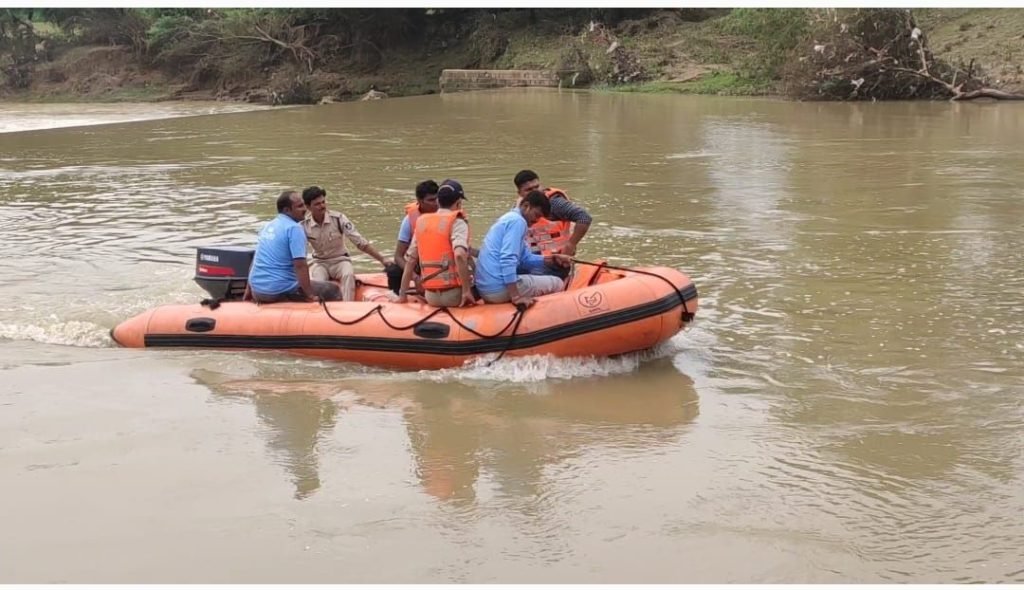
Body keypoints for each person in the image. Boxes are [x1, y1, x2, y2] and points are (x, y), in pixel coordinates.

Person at [475, 190, 572, 307]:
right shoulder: (518, 222)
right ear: (526, 206)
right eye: (536, 215)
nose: (536, 221)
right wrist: (516, 296)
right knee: (557, 283)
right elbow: (508, 259)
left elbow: (525, 259)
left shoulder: (509, 218)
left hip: (486, 288)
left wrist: (551, 259)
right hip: (498, 288)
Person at [244, 191, 342, 304]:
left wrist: (249, 288)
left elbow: (256, 260)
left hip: (258, 291)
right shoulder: (294, 228)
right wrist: (310, 295)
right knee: (333, 290)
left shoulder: (268, 226)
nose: (305, 209)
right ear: (287, 210)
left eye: (304, 204)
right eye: (299, 206)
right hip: (278, 291)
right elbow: (300, 266)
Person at [300, 185, 391, 301]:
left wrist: (382, 259)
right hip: (320, 262)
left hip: (340, 260)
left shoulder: (339, 219)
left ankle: (347, 307)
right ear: (308, 207)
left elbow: (360, 242)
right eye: (317, 204)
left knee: (348, 275)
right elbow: (299, 253)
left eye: (323, 202)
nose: (322, 206)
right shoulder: (304, 226)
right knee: (318, 282)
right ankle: (323, 312)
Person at [396, 180, 474, 308]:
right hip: (455, 295)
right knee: (486, 282)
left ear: (438, 201)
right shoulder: (457, 222)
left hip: (431, 297)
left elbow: (410, 261)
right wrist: (466, 291)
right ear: (459, 202)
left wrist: (402, 296)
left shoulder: (421, 222)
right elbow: (459, 255)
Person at [513, 169, 593, 259]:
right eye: (529, 190)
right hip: (531, 259)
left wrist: (571, 245)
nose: (535, 191)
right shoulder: (519, 207)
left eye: (537, 187)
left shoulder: (554, 203)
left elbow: (584, 218)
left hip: (558, 259)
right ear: (520, 193)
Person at [387, 179, 439, 294]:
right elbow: (398, 256)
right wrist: (415, 277)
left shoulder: (446, 216)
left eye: (437, 198)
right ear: (420, 201)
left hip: (439, 262)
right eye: (431, 200)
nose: (436, 203)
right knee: (394, 271)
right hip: (417, 263)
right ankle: (397, 296)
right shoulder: (409, 221)